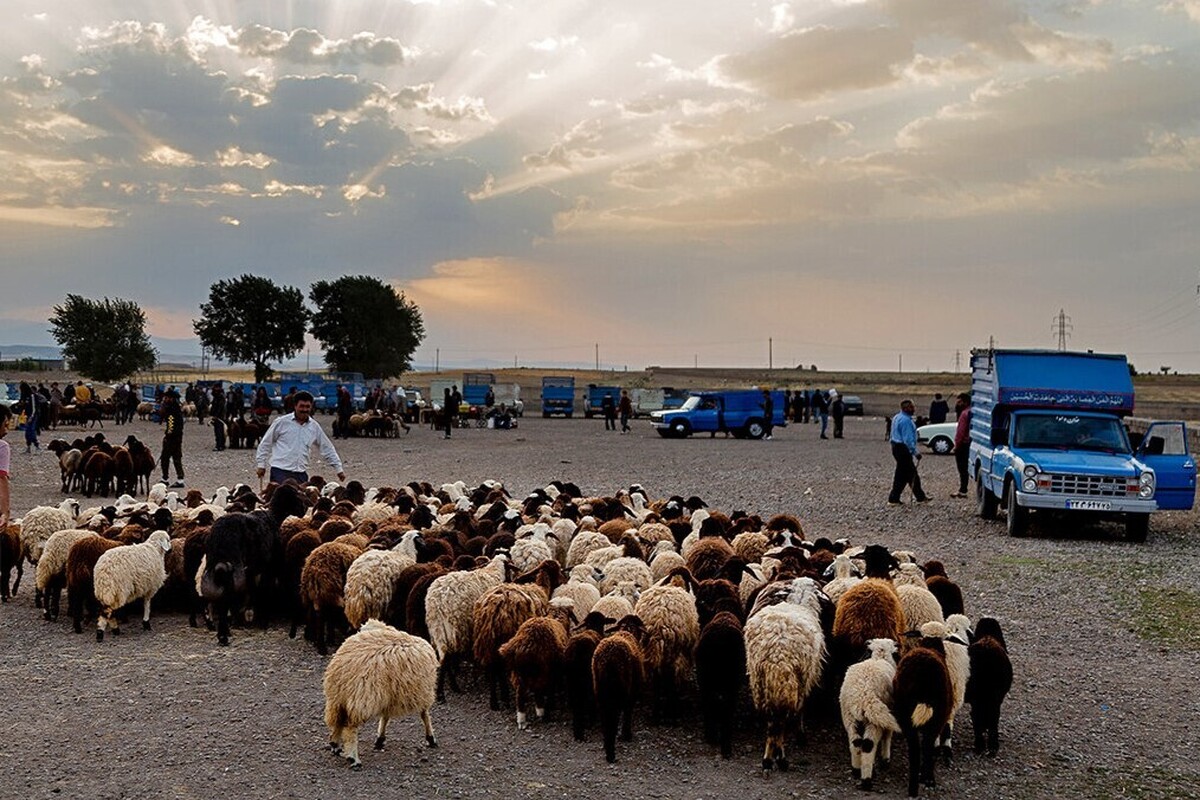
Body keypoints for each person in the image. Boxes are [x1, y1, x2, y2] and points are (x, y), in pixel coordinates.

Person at [255, 390, 345, 486]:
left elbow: (327, 447)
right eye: (301, 406)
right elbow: (265, 444)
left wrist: (338, 469)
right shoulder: (281, 422)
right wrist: (261, 465)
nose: (304, 409)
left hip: (300, 473)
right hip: (280, 471)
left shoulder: (314, 426)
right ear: (295, 406)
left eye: (307, 407)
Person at [888, 399, 930, 505]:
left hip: (896, 447)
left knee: (902, 474)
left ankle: (895, 498)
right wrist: (915, 452)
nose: (914, 409)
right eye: (911, 407)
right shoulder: (906, 421)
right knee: (911, 474)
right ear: (906, 408)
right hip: (903, 449)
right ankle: (919, 497)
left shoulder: (897, 417)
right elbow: (908, 440)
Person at [160, 388, 185, 488]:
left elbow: (171, 424)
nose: (165, 399)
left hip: (172, 438)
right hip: (178, 437)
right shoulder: (176, 408)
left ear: (171, 398)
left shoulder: (171, 410)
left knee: (165, 458)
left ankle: (165, 478)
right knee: (177, 457)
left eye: (166, 398)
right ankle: (180, 478)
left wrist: (168, 435)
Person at [952, 392, 972, 497]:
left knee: (962, 468)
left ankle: (963, 490)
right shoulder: (972, 412)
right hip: (970, 443)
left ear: (965, 402)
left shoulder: (964, 414)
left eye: (959, 402)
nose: (958, 404)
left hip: (963, 445)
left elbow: (961, 432)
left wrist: (956, 445)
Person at [18, 381, 39, 453]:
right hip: (27, 415)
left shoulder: (32, 396)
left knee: (31, 430)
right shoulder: (25, 396)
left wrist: (31, 417)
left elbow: (34, 408)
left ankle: (36, 445)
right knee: (27, 431)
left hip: (33, 415)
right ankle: (29, 446)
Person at [0, 404, 11, 531]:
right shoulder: (2, 447)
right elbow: (1, 478)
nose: (6, 431)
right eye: (5, 425)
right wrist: (5, 512)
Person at [210, 385, 227, 451]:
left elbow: (220, 407)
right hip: (217, 416)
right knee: (218, 431)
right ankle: (221, 445)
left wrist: (216, 415)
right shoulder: (216, 397)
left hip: (219, 417)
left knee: (219, 431)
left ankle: (219, 445)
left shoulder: (220, 397)